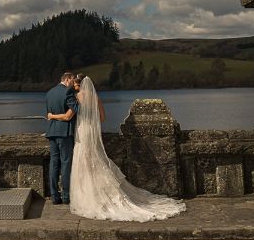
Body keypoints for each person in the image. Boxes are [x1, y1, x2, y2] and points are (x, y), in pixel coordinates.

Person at [47, 75, 185, 221]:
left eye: (75, 83)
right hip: (92, 131)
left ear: (77, 84)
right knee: (95, 158)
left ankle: (82, 193)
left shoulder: (76, 97)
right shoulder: (95, 97)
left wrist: (52, 116)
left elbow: (70, 115)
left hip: (81, 130)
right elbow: (102, 118)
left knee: (82, 160)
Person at [44, 71, 79, 205]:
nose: (73, 82)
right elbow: (75, 110)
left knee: (54, 164)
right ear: (67, 79)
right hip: (65, 133)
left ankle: (54, 196)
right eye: (72, 79)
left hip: (52, 132)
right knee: (65, 164)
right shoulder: (68, 92)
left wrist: (53, 116)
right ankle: (65, 196)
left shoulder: (49, 93)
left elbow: (48, 114)